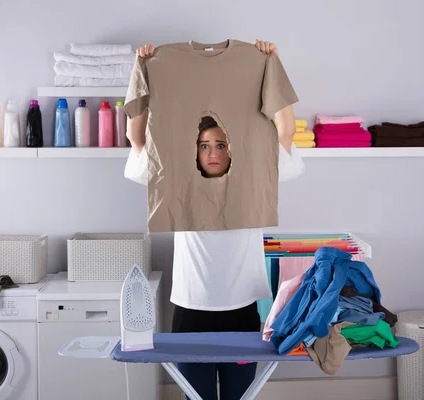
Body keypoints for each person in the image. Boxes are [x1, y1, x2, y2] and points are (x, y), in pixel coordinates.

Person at [124, 40, 304, 400]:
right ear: (193, 149)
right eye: (205, 145)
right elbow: (137, 138)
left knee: (240, 395)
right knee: (198, 395)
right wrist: (141, 70)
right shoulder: (174, 175)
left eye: (221, 145)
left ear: (235, 147)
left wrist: (273, 67)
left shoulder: (256, 172)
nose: (213, 152)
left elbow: (284, 131)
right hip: (191, 308)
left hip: (242, 307)